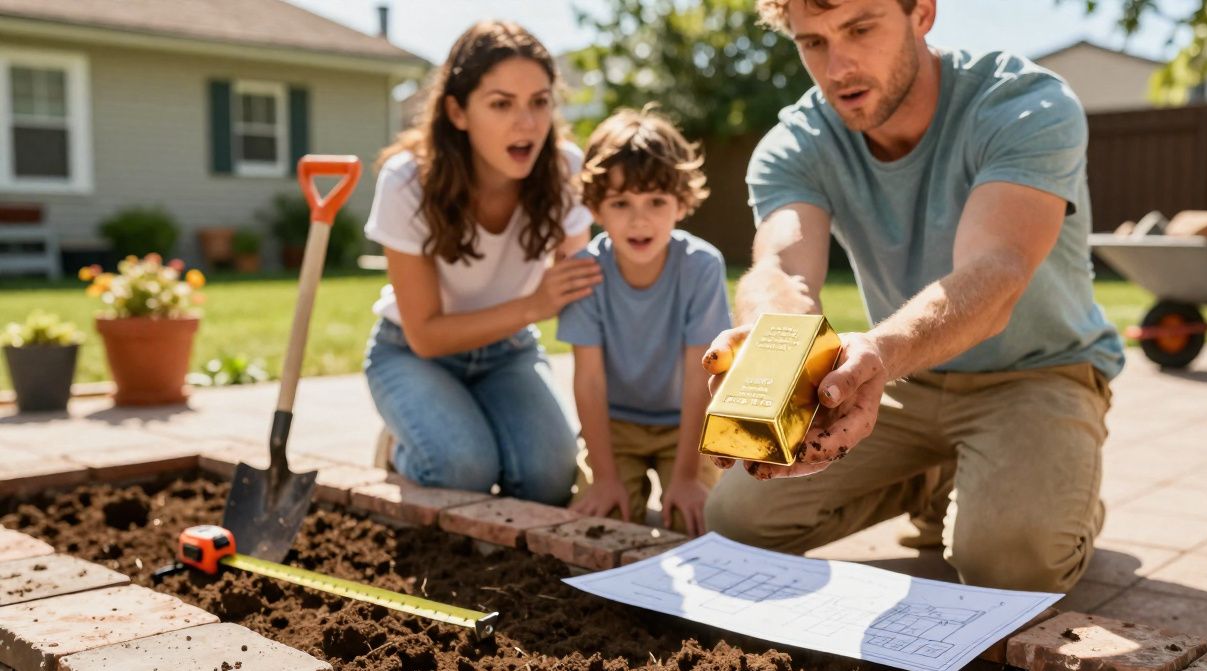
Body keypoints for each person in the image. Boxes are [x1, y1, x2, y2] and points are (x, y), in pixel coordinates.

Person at [702, 0, 1125, 593]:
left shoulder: (1024, 104)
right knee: (736, 519)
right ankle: (935, 477)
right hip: (906, 378)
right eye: (813, 43)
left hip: (1037, 372)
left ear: (922, 14)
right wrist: (776, 355)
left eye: (860, 29)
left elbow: (995, 273)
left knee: (1009, 563)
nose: (838, 66)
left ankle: (1063, 502)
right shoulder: (797, 141)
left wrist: (877, 352)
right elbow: (781, 267)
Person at [362, 21, 602, 505]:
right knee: (462, 469)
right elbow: (425, 335)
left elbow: (582, 297)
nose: (528, 123)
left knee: (549, 480)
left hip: (508, 353)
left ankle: (466, 423)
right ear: (457, 111)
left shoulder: (565, 171)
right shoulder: (407, 181)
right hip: (411, 354)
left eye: (540, 101)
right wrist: (535, 304)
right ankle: (402, 449)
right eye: (501, 104)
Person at [558, 107, 731, 535]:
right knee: (602, 525)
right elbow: (590, 381)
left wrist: (688, 477)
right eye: (621, 203)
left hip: (686, 426)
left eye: (656, 201)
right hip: (616, 426)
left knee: (695, 522)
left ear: (682, 202)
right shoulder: (586, 269)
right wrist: (606, 477)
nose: (639, 219)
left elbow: (700, 377)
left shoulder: (701, 267)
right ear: (596, 207)